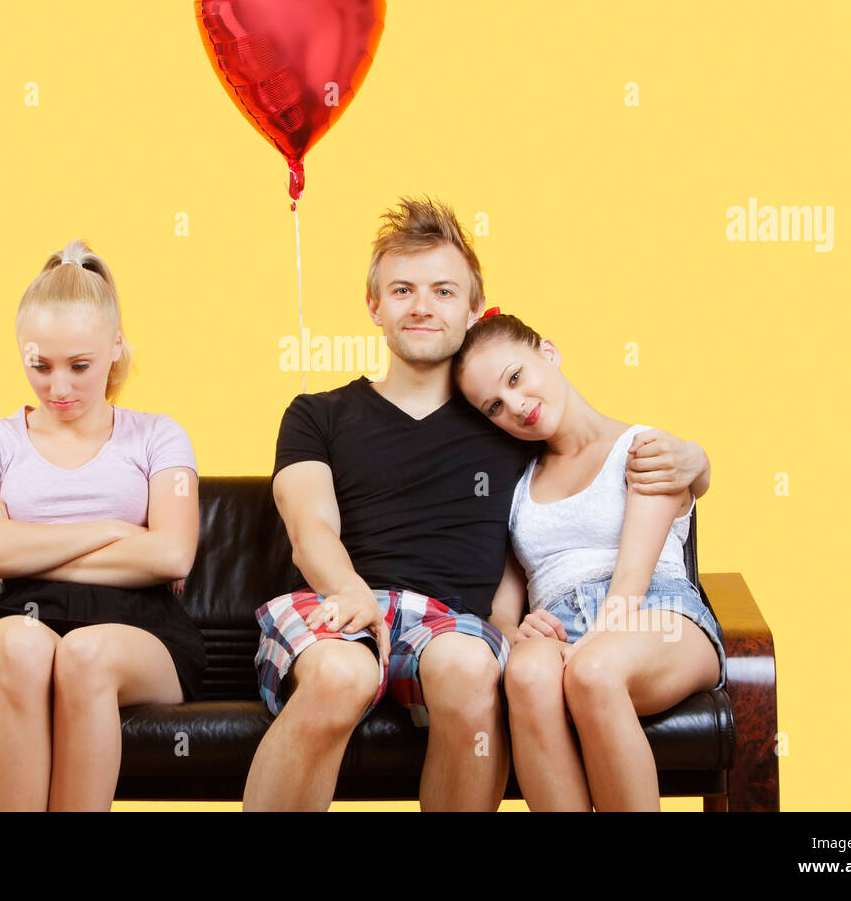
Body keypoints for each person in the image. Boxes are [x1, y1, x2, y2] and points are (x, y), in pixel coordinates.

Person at [243, 197, 712, 811]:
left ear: (471, 308)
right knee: (341, 675)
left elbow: (589, 470)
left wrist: (697, 463)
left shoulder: (506, 423)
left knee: (470, 670)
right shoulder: (317, 414)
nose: (421, 305)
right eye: (402, 289)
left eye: (442, 290)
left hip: (453, 626)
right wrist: (353, 593)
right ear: (374, 307)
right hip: (340, 599)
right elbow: (310, 530)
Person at [0, 239, 205, 811]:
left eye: (79, 366)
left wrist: (20, 539)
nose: (58, 389)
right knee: (26, 648)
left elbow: (171, 557)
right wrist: (115, 531)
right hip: (22, 616)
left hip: (141, 633)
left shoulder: (160, 435)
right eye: (39, 366)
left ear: (115, 347)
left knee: (84, 654)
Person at [451, 310, 727, 811]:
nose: (515, 405)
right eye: (494, 406)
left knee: (593, 672)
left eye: (516, 377)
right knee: (527, 674)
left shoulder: (642, 449)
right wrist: (518, 633)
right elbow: (503, 610)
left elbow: (630, 583)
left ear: (548, 353)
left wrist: (585, 649)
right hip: (563, 624)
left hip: (656, 615)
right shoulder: (516, 490)